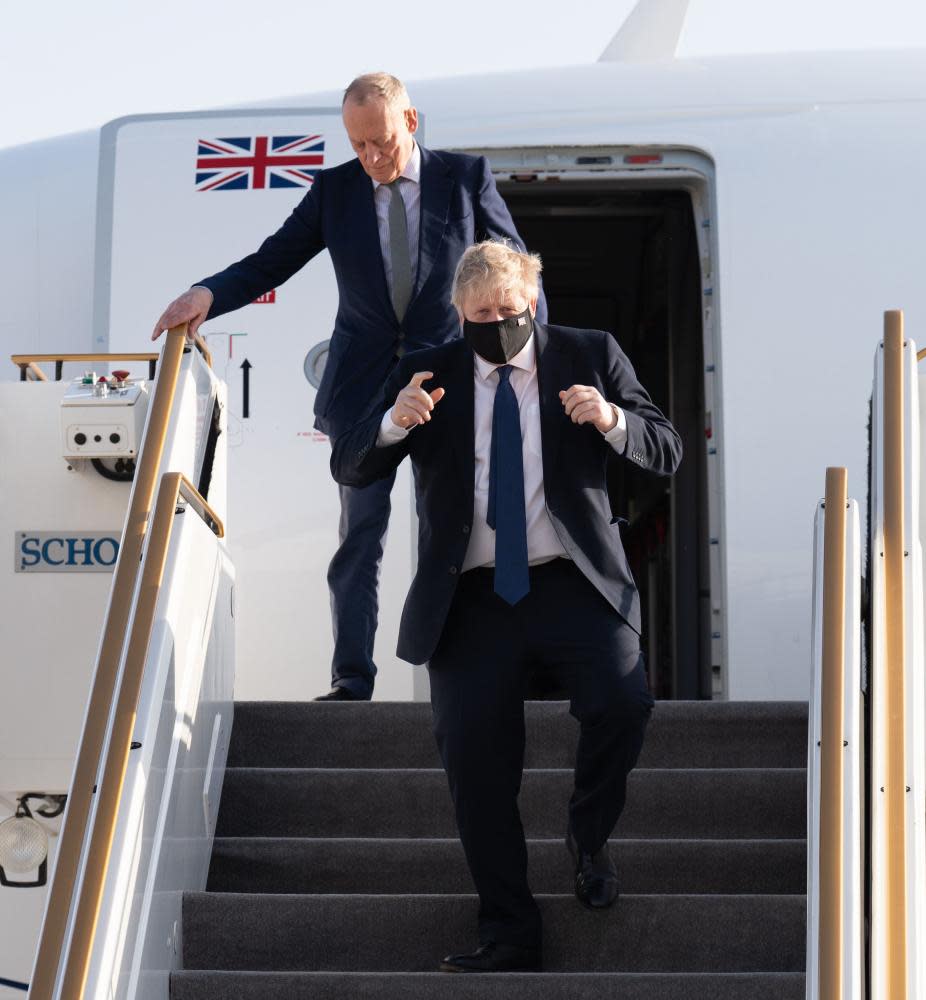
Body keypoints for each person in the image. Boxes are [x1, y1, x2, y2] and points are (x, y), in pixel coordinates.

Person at [330, 241, 682, 972]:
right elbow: (352, 462)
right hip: (471, 597)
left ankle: (586, 835)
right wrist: (397, 421)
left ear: (533, 298)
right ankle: (509, 931)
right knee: (476, 765)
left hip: (573, 582)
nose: (498, 323)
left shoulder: (591, 354)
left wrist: (613, 420)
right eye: (482, 314)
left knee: (623, 706)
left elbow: (667, 450)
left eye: (510, 310)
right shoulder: (428, 372)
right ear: (460, 313)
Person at [151, 73, 545, 701]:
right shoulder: (334, 190)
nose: (371, 159)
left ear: (410, 124)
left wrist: (536, 360)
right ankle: (351, 679)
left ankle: (459, 675)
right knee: (359, 537)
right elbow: (271, 259)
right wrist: (208, 294)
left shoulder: (464, 179)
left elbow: (519, 274)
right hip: (362, 393)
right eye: (358, 146)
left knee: (450, 533)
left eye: (381, 143)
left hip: (445, 385)